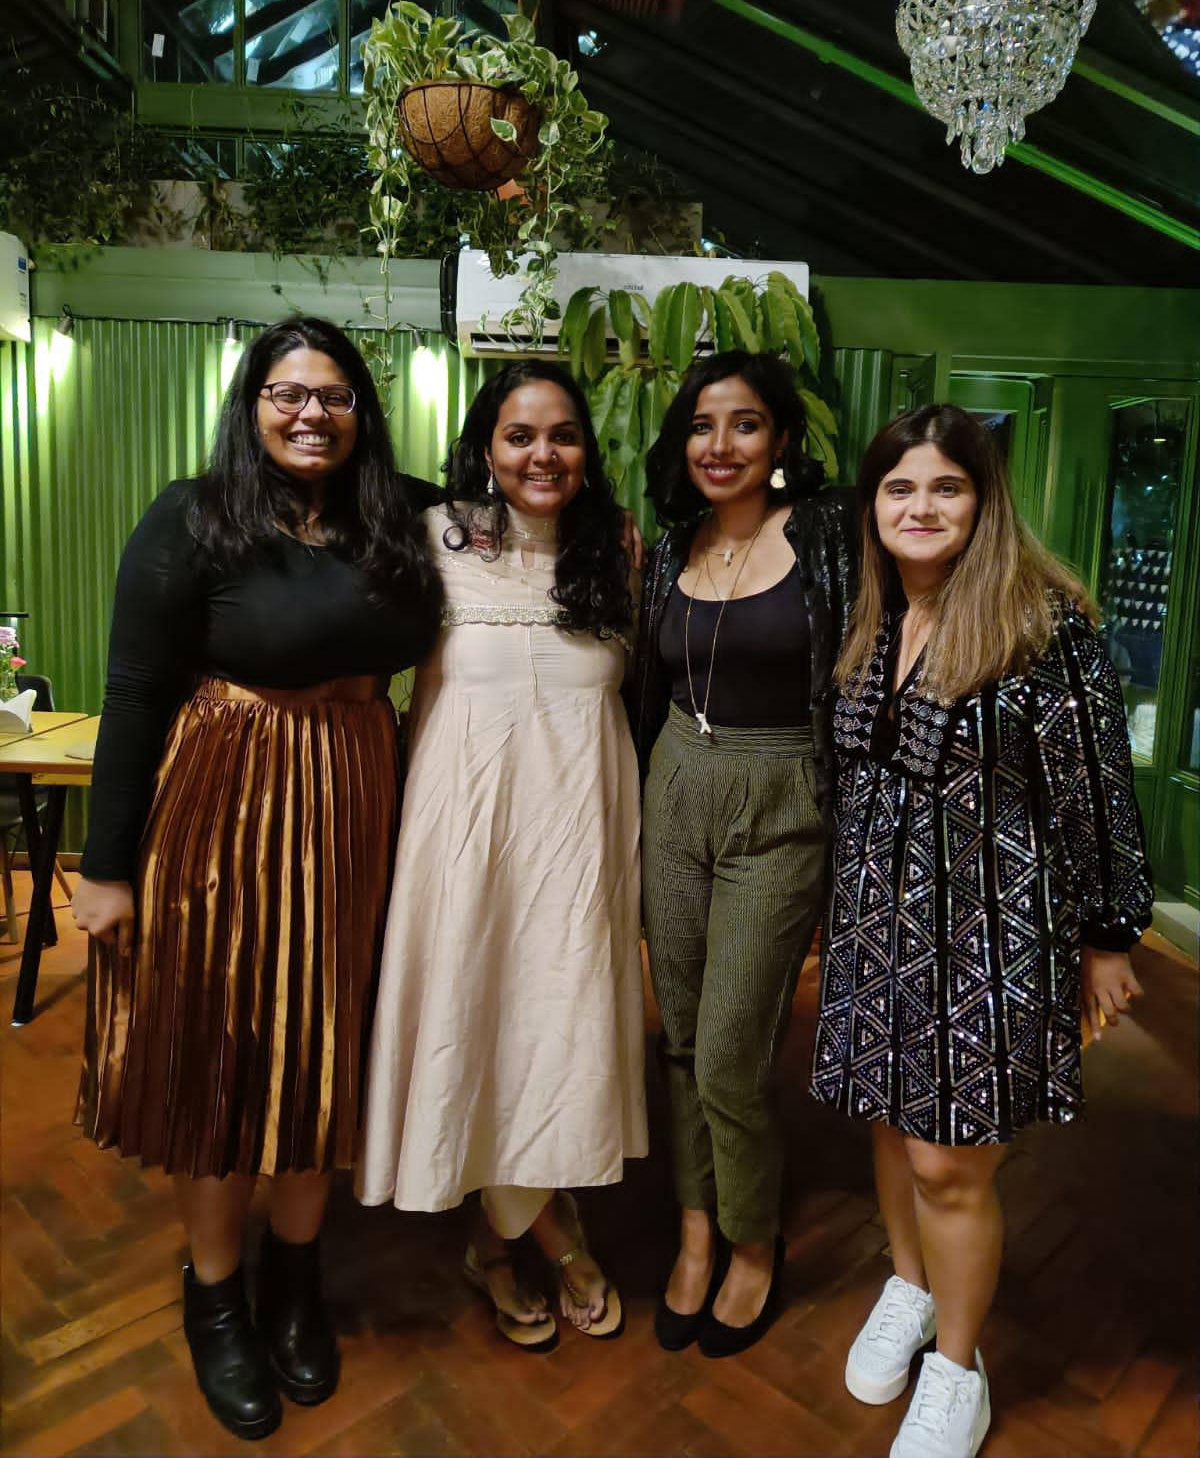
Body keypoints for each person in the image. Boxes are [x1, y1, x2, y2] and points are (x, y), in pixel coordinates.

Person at [70, 318, 443, 1441]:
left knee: (324, 1043)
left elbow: (531, 507)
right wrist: (105, 869)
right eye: (287, 393)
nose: (310, 413)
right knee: (220, 1046)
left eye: (332, 395)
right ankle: (216, 1292)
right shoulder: (191, 517)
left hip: (355, 806)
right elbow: (134, 691)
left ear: (361, 410)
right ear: (253, 404)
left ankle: (296, 1277)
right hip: (219, 807)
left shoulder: (407, 516)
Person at [812, 403, 1151, 1458]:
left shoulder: (1044, 625)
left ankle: (959, 1369)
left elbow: (1097, 791)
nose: (921, 506)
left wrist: (1109, 936)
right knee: (885, 1114)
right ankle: (909, 1286)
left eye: (945, 486)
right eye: (899, 487)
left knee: (951, 1163)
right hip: (877, 917)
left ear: (983, 499)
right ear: (873, 506)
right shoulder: (874, 610)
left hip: (991, 931)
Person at [357, 360, 647, 1351]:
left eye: (562, 434)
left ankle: (503, 1235)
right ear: (485, 446)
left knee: (556, 1027)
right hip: (463, 836)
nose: (542, 454)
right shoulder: (443, 536)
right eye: (519, 434)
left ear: (584, 451)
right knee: (476, 1017)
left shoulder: (613, 547)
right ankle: (539, 1233)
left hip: (577, 835)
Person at [633, 350, 857, 1358]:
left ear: (781, 442)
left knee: (731, 1047)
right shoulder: (668, 545)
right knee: (677, 1033)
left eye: (745, 423)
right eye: (701, 425)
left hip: (783, 795)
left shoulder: (826, 535)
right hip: (676, 783)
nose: (720, 444)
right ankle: (692, 1228)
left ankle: (752, 1240)